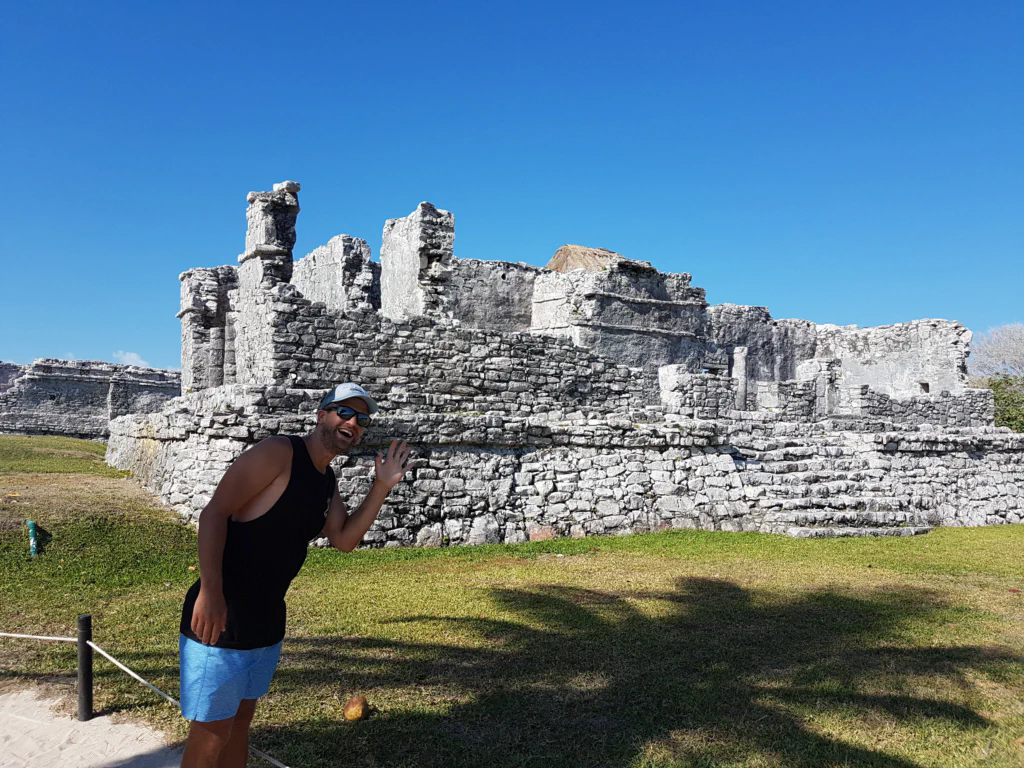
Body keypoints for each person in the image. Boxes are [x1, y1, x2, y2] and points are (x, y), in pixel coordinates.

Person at [178, 383, 412, 768]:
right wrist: (210, 592)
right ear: (321, 415)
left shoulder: (325, 480)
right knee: (211, 734)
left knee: (239, 724)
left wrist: (381, 486)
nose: (353, 422)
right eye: (344, 412)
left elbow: (344, 539)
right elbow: (214, 513)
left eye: (362, 419)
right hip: (222, 615)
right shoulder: (279, 452)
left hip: (266, 620)